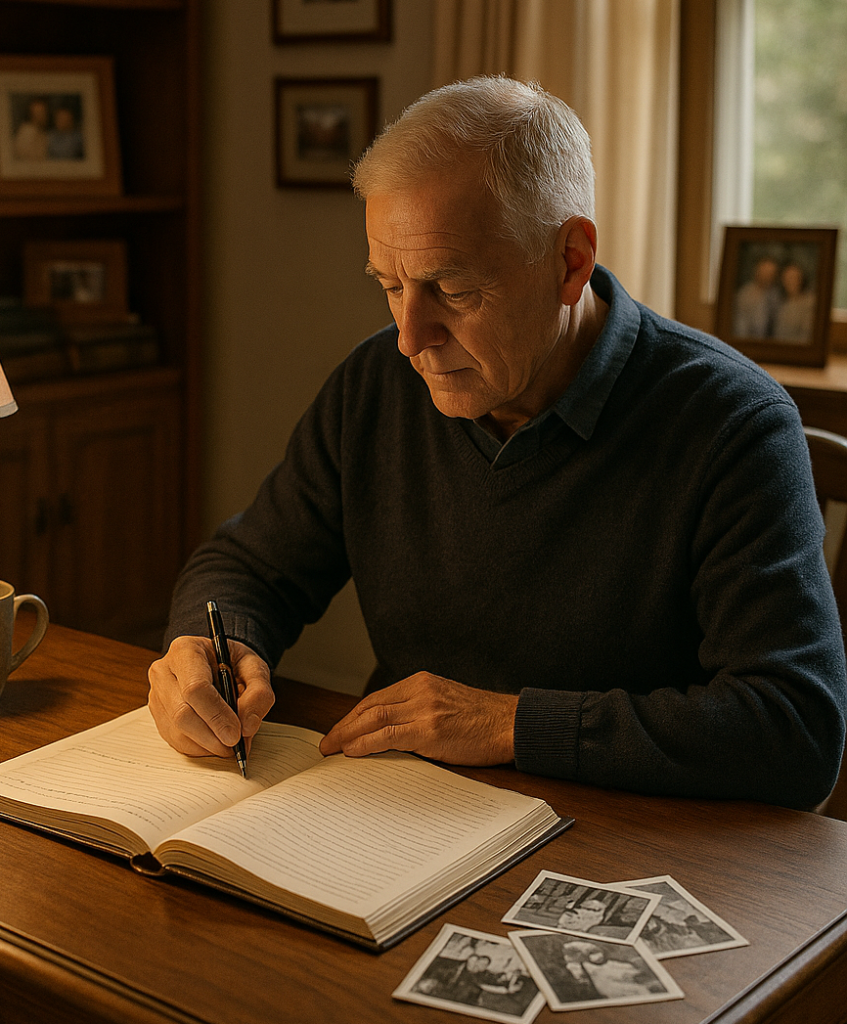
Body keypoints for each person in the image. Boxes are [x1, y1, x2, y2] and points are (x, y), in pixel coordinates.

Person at [148, 76, 846, 810]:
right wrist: (205, 647)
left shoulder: (729, 422)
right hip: (391, 814)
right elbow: (250, 563)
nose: (411, 339)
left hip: (627, 838)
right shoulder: (374, 387)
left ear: (569, 261)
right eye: (389, 284)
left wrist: (510, 722)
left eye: (451, 288)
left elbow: (794, 728)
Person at [732, 255, 781, 337]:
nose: (767, 276)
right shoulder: (745, 293)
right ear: (757, 272)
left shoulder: (776, 295)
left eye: (771, 273)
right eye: (765, 272)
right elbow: (740, 325)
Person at [773, 261, 815, 343]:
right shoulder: (781, 302)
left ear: (801, 279)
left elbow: (805, 336)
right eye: (787, 278)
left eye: (793, 278)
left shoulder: (809, 303)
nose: (790, 282)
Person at [12, 96, 49, 161]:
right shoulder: (27, 132)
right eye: (39, 113)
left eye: (44, 112)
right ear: (32, 114)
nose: (43, 115)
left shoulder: (41, 132)